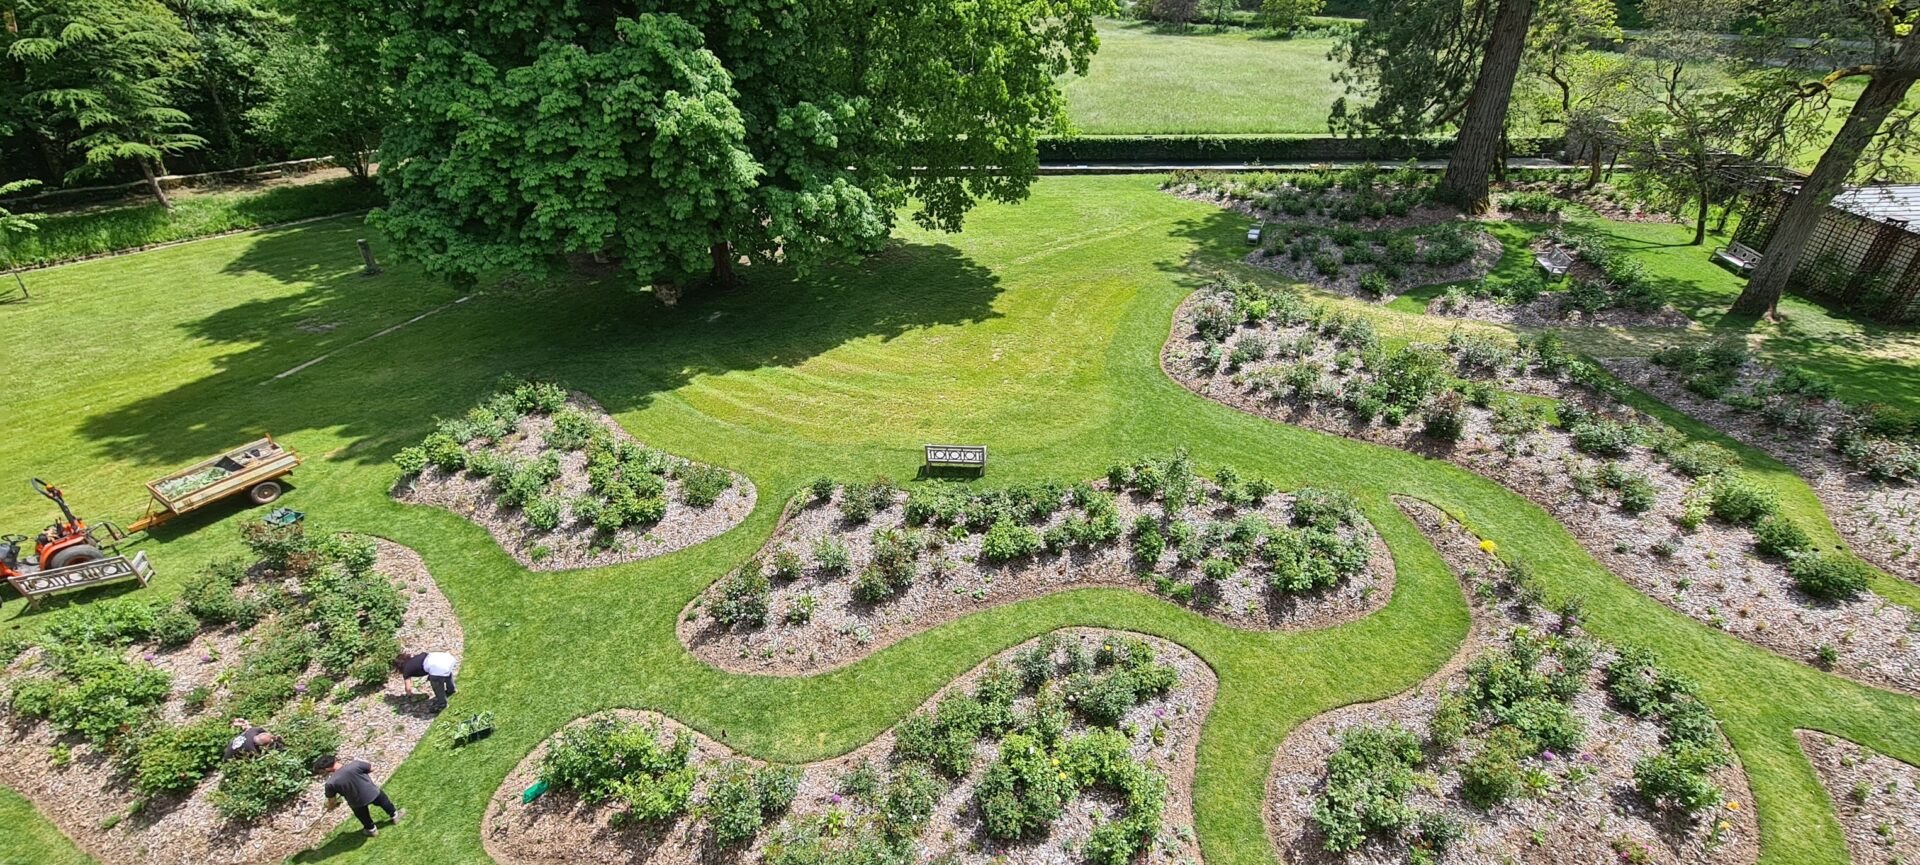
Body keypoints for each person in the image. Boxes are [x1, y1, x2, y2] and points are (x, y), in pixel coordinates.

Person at [313, 754, 402, 836]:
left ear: (327, 769)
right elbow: (371, 769)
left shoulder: (330, 783)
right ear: (335, 760)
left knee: (362, 814)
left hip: (356, 802)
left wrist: (331, 806)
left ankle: (371, 830)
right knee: (384, 802)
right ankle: (395, 815)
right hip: (372, 793)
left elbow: (332, 799)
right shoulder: (355, 765)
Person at [393, 649, 459, 712]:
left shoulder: (406, 670)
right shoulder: (415, 658)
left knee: (436, 682)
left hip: (438, 666)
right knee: (444, 673)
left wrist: (410, 696)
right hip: (447, 658)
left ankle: (442, 703)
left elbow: (408, 689)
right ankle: (451, 690)